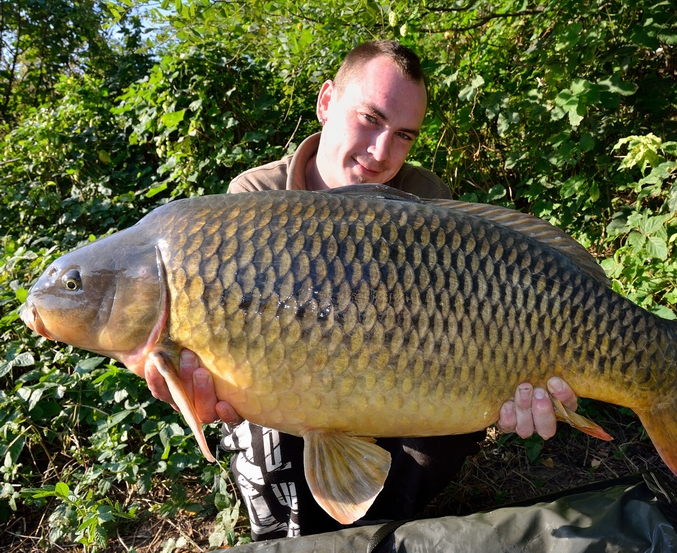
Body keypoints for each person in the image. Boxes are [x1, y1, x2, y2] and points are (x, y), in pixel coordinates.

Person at [145, 40, 578, 541]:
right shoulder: (254, 200)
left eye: (403, 136)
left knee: (455, 401)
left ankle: (382, 524)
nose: (381, 153)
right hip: (292, 384)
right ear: (326, 101)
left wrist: (508, 381)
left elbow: (471, 324)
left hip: (401, 376)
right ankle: (299, 536)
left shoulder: (425, 199)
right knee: (257, 402)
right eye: (370, 119)